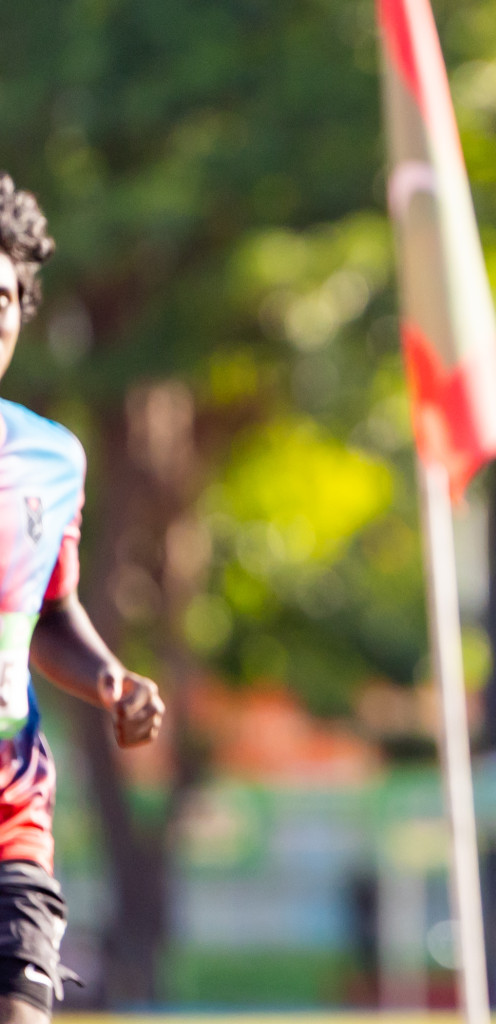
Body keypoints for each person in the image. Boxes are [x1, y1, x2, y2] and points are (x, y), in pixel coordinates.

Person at [0, 175, 165, 1023]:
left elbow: (51, 610)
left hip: (12, 820)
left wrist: (111, 680)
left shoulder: (51, 458)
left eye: (1, 298)